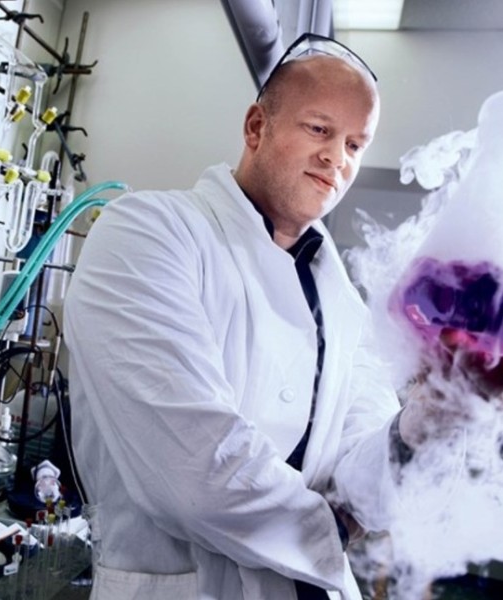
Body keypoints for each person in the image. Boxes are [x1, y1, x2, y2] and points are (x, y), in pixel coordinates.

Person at [64, 34, 412, 600]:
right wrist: (334, 528)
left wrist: (422, 426)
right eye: (319, 129)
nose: (337, 158)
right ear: (256, 127)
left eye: (355, 143)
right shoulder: (147, 234)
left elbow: (368, 467)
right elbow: (195, 477)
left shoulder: (342, 298)